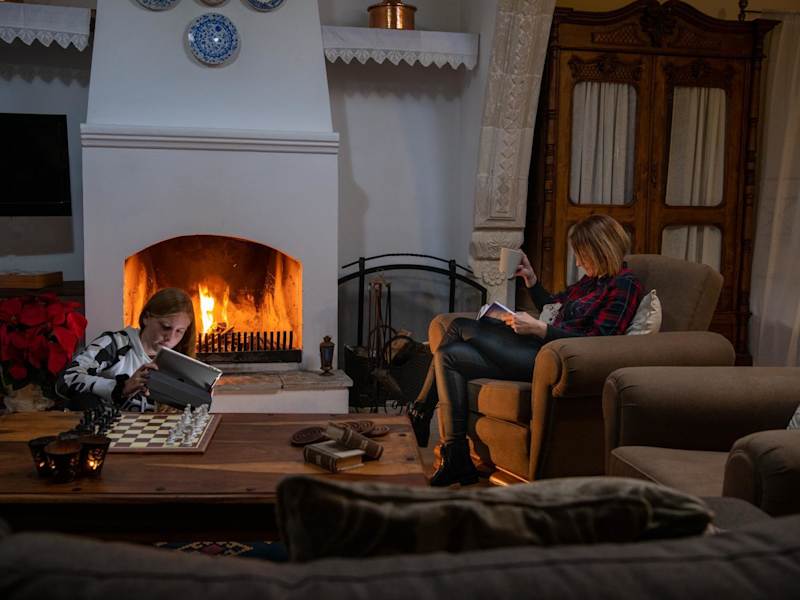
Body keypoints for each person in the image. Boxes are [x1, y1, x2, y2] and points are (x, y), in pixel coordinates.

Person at [409, 214, 643, 487]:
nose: (579, 263)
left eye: (582, 255)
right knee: (448, 354)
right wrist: (531, 280)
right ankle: (455, 454)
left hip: (552, 361)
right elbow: (554, 306)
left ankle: (419, 414)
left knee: (460, 326)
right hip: (539, 349)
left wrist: (541, 330)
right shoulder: (591, 281)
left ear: (601, 250)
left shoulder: (625, 284)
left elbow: (600, 341)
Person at [57, 288, 197, 412]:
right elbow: (67, 379)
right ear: (147, 318)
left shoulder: (180, 362)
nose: (170, 338)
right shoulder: (115, 344)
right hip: (107, 427)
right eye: (165, 327)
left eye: (179, 331)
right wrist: (121, 387)